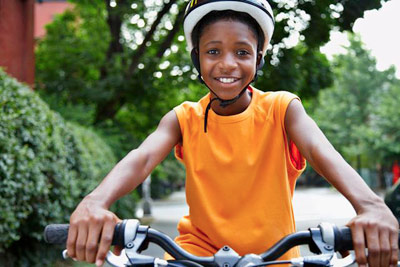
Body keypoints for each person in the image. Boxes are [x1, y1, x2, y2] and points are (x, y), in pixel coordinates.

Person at [66, 0, 399, 266]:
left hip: (275, 258)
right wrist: (94, 202)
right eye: (213, 51)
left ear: (259, 59)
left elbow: (319, 151)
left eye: (242, 52)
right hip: (193, 256)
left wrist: (372, 206)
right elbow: (141, 159)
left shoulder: (282, 109)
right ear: (197, 58)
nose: (227, 64)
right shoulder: (184, 117)